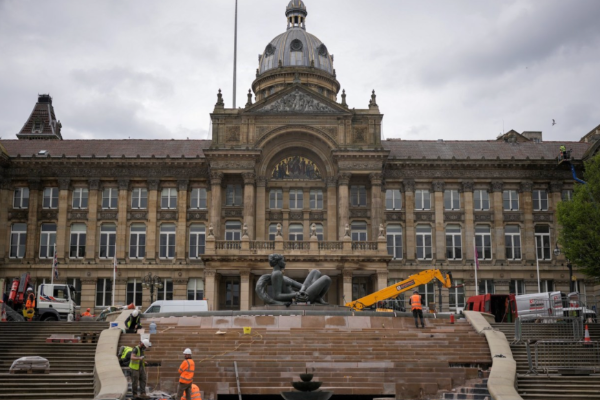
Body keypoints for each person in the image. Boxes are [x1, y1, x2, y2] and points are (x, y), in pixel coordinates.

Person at [255, 254, 331, 305]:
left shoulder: (280, 274)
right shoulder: (276, 274)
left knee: (315, 271)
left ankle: (316, 297)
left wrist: (301, 291)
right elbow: (277, 296)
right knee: (326, 278)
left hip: (302, 294)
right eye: (283, 260)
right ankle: (316, 298)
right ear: (278, 262)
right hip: (300, 299)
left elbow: (301, 285)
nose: (285, 263)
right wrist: (296, 294)